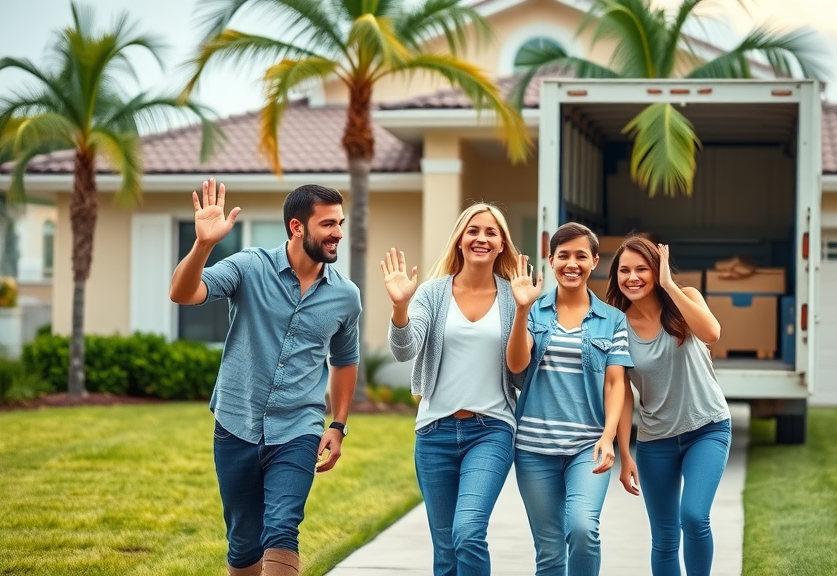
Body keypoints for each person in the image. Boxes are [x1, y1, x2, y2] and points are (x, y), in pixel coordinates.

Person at [169, 178, 361, 576]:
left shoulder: (346, 296)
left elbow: (345, 360)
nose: (338, 233)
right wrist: (203, 244)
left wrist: (338, 424)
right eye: (327, 224)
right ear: (297, 227)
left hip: (299, 427)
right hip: (236, 423)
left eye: (339, 223)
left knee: (282, 529)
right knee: (243, 544)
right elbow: (183, 293)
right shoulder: (249, 266)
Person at [382, 203, 524, 576]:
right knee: (445, 550)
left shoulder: (514, 298)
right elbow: (404, 349)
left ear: (502, 245)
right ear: (460, 240)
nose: (481, 238)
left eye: (491, 232)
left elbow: (522, 374)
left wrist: (525, 312)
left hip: (491, 430)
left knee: (468, 532)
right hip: (434, 433)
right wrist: (400, 307)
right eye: (473, 230)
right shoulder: (432, 293)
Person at [506, 222, 631, 576]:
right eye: (563, 256)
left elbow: (615, 384)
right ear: (550, 260)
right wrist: (520, 310)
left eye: (580, 256)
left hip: (587, 446)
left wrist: (609, 438)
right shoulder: (533, 311)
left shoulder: (613, 320)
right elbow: (516, 364)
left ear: (594, 261)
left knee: (582, 528)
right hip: (533, 449)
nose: (571, 264)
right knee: (548, 550)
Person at [606, 237, 731, 576]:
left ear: (657, 269)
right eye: (624, 270)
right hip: (655, 440)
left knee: (693, 515)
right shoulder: (617, 326)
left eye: (642, 269)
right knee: (663, 538)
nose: (632, 277)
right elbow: (623, 393)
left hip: (707, 428)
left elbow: (712, 333)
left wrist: (668, 285)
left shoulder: (686, 298)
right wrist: (624, 453)